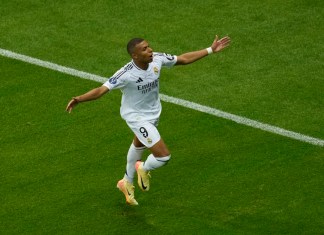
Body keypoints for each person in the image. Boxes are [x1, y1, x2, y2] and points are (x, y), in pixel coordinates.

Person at [66, 35, 231, 205]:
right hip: (136, 117)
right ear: (135, 56)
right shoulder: (126, 74)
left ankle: (126, 182)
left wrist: (210, 50)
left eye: (149, 46)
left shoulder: (157, 59)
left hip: (153, 113)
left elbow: (183, 59)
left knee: (139, 144)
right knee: (163, 157)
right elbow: (101, 90)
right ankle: (143, 167)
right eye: (144, 49)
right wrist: (79, 99)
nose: (150, 50)